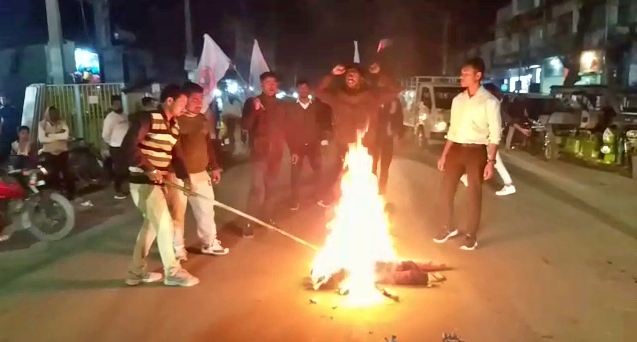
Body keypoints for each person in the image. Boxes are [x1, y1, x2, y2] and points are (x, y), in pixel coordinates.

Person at [122, 84, 199, 287]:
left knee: (151, 227)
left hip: (158, 182)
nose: (186, 107)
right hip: (143, 182)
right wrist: (149, 168)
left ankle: (135, 272)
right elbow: (129, 147)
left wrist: (185, 178)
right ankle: (172, 271)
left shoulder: (174, 127)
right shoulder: (148, 119)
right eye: (183, 103)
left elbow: (177, 155)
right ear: (170, 101)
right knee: (164, 223)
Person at [433, 57, 502, 251]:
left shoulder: (490, 102)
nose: (461, 77)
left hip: (476, 152)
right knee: (445, 192)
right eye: (461, 73)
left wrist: (490, 161)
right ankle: (447, 227)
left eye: (466, 74)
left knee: (473, 195)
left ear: (478, 76)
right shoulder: (458, 100)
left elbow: (495, 135)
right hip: (456, 150)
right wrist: (444, 154)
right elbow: (453, 130)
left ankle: (471, 235)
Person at [314, 63, 400, 207]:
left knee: (365, 181)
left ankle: (366, 209)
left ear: (361, 78)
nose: (350, 75)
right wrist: (331, 75)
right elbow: (318, 92)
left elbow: (396, 90)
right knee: (341, 178)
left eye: (354, 73)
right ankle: (338, 207)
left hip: (366, 148)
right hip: (343, 145)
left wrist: (380, 74)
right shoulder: (337, 97)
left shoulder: (372, 96)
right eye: (348, 73)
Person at [166, 82, 226, 262]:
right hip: (179, 175)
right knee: (178, 213)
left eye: (201, 99)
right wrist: (180, 174)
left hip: (201, 173)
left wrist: (214, 166)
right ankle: (177, 249)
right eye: (194, 99)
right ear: (184, 100)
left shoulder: (202, 119)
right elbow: (173, 150)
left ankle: (209, 242)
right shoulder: (175, 121)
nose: (199, 103)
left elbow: (208, 144)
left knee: (207, 209)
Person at [241, 72, 287, 237]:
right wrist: (255, 110)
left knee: (272, 188)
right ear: (262, 85)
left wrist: (294, 149)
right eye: (268, 82)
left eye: (274, 82)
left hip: (276, 152)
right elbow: (245, 125)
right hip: (259, 152)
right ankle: (248, 222)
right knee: (257, 189)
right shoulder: (253, 102)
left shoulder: (281, 105)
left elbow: (287, 128)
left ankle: (267, 218)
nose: (272, 85)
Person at [459, 83, 517, 196]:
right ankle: (468, 177)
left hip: (490, 139)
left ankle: (509, 185)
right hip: (488, 138)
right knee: (485, 160)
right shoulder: (491, 104)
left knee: (493, 162)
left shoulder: (493, 105)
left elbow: (505, 120)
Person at [286, 79, 327, 211]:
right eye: (301, 88)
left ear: (309, 90)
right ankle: (294, 200)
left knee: (318, 172)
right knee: (295, 174)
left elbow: (323, 124)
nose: (303, 90)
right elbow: (287, 129)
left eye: (305, 88)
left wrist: (323, 139)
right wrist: (292, 149)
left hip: (313, 145)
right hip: (297, 147)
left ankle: (319, 197)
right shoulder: (291, 108)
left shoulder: (316, 107)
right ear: (297, 90)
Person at [38, 106, 77, 201]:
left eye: (55, 113)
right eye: (51, 113)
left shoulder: (62, 123)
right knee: (52, 175)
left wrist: (50, 135)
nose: (54, 115)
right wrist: (59, 136)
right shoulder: (42, 125)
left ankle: (70, 194)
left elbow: (65, 136)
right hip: (49, 153)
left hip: (63, 152)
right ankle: (55, 195)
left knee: (67, 174)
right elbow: (42, 139)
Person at [372, 97, 405, 195]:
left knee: (384, 167)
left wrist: (398, 133)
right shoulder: (376, 98)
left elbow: (399, 118)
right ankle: (372, 189)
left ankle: (381, 190)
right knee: (372, 165)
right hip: (375, 137)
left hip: (387, 138)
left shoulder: (394, 100)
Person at [102, 95, 130, 199]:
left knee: (127, 168)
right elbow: (105, 134)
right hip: (116, 147)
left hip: (126, 146)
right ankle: (118, 191)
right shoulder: (110, 118)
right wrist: (110, 143)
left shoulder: (125, 115)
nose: (118, 105)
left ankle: (126, 188)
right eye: (115, 104)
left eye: (119, 103)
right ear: (112, 105)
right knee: (118, 169)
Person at [0, 95, 21, 163]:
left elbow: (18, 123)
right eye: (1, 99)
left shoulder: (14, 110)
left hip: (11, 133)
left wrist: (18, 134)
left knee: (12, 150)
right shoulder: (1, 110)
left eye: (4, 98)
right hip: (4, 134)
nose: (2, 100)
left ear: (9, 99)